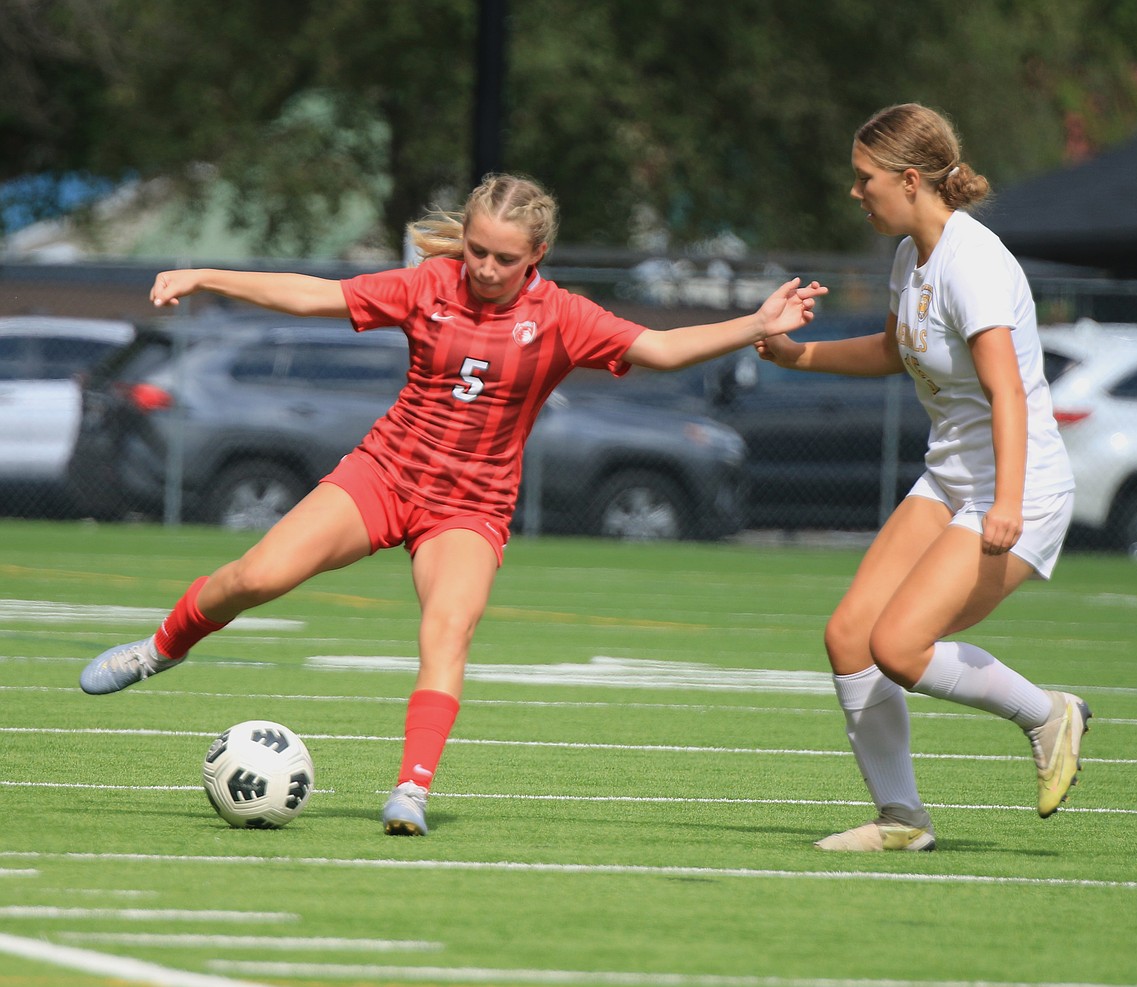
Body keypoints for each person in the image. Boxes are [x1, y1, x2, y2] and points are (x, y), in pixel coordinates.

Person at [79, 172, 827, 836]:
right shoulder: (428, 284)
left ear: (536, 257)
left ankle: (410, 790)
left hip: (470, 506)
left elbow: (660, 347)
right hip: (384, 474)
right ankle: (159, 649)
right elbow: (315, 296)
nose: (487, 268)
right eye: (477, 250)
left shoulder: (562, 314)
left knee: (447, 629)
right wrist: (207, 273)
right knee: (256, 575)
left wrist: (757, 324)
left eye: (506, 258)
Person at [757, 104, 1089, 852]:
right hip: (951, 479)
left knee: (900, 646)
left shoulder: (973, 261)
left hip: (1019, 485)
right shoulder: (912, 253)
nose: (855, 191)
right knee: (849, 635)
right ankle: (902, 821)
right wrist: (797, 356)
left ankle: (1047, 714)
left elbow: (1008, 390)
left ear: (911, 179)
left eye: (864, 177)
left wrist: (1006, 501)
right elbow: (893, 348)